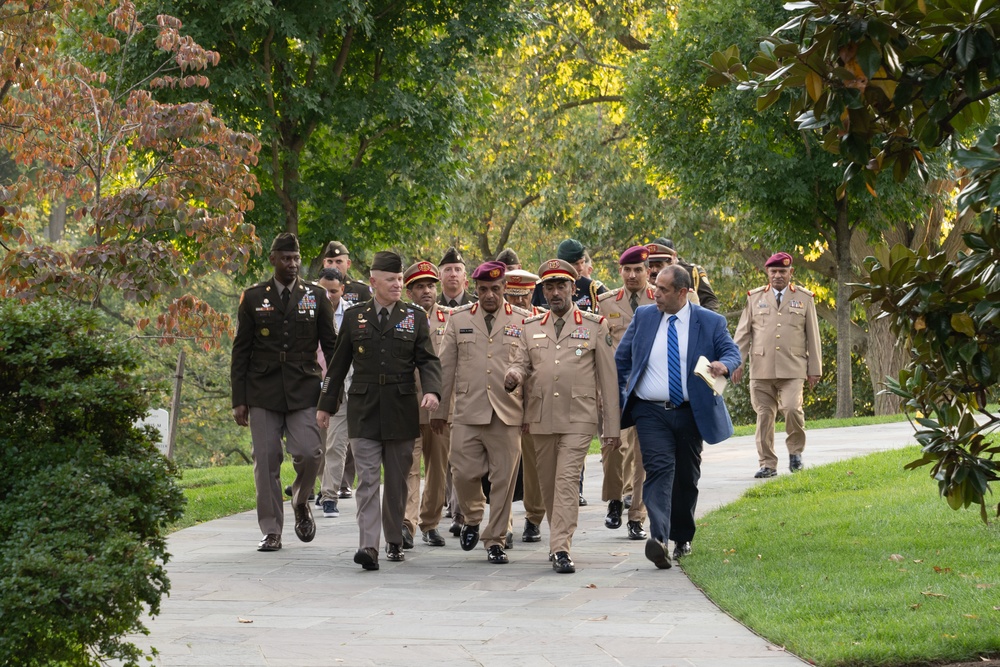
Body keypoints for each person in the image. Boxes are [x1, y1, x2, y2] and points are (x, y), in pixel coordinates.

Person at [316, 251, 442, 571]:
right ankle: (368, 546)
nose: (398, 285)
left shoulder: (414, 316)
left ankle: (394, 540)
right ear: (374, 282)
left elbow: (427, 360)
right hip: (364, 406)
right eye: (391, 280)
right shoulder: (356, 316)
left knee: (397, 482)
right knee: (368, 480)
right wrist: (326, 406)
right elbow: (338, 363)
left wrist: (431, 391)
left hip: (401, 408)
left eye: (400, 279)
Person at [616, 264, 741, 568]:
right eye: (655, 287)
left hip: (690, 411)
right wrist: (619, 396)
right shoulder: (645, 316)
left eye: (663, 289)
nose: (655, 293)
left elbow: (732, 352)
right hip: (650, 411)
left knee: (686, 477)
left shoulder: (709, 321)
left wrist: (724, 365)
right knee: (657, 470)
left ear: (683, 293)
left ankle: (682, 536)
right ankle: (658, 539)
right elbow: (622, 358)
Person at [505, 259, 620, 574]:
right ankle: (560, 540)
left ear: (573, 287)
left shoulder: (595, 325)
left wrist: (612, 429)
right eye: (550, 287)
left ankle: (560, 549)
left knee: (567, 479)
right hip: (541, 417)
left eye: (561, 286)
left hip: (579, 416)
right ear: (543, 291)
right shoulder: (531, 327)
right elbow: (520, 363)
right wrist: (513, 375)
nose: (555, 293)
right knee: (549, 484)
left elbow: (608, 381)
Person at [231, 232, 337, 552]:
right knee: (266, 460)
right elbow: (241, 351)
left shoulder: (316, 296)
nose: (292, 265)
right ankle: (271, 530)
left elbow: (331, 349)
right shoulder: (253, 297)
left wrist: (332, 394)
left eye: (296, 259)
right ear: (273, 259)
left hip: (304, 387)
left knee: (309, 453)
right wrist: (239, 399)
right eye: (286, 259)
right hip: (263, 390)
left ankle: (301, 500)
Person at [432, 261, 531, 564]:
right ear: (475, 289)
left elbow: (529, 365)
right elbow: (445, 367)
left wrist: (525, 403)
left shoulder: (524, 320)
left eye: (496, 289)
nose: (490, 295)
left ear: (505, 289)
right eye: (484, 289)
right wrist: (440, 408)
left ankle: (496, 540)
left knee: (504, 480)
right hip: (466, 411)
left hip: (507, 413)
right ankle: (473, 515)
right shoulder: (458, 319)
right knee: (462, 472)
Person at [732, 252, 822, 478]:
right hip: (761, 369)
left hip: (793, 367)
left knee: (792, 408)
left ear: (791, 272)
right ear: (767, 273)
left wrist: (815, 369)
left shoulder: (804, 298)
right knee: (764, 416)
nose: (778, 275)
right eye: (774, 271)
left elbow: (813, 336)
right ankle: (767, 464)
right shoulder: (754, 298)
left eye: (783, 271)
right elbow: (742, 335)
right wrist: (736, 363)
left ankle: (795, 453)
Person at [595, 245, 655, 542]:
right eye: (627, 270)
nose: (632, 275)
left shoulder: (661, 299)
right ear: (620, 271)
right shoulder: (606, 303)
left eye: (638, 270)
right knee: (612, 448)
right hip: (614, 388)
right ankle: (615, 499)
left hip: (648, 388)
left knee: (643, 454)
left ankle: (636, 516)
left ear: (647, 272)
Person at [401, 260, 453, 549]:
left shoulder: (451, 319)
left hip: (440, 407)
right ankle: (407, 523)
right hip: (409, 403)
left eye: (430, 286)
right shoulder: (402, 317)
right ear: (409, 292)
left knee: (438, 468)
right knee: (409, 466)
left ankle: (430, 522)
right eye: (419, 286)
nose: (426, 291)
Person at [503, 268, 546, 543]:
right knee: (503, 465)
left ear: (532, 292)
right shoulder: (497, 319)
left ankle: (533, 518)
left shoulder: (543, 320)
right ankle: (503, 523)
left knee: (533, 465)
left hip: (532, 401)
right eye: (512, 296)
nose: (518, 302)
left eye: (523, 296)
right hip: (503, 401)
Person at [314, 267, 351, 518]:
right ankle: (318, 485)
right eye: (323, 291)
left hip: (343, 387)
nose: (328, 297)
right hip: (313, 387)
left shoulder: (354, 314)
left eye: (334, 292)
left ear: (343, 290)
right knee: (313, 447)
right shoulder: (308, 311)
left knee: (336, 443)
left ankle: (329, 495)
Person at [652, 238, 720, 311]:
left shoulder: (692, 272)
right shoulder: (647, 274)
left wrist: (701, 319)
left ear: (673, 257)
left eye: (659, 265)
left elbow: (710, 301)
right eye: (650, 265)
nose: (654, 270)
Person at [321, 240, 371, 307]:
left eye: (338, 262)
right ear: (324, 263)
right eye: (330, 262)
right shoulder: (313, 289)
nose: (333, 266)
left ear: (348, 264)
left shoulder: (361, 290)